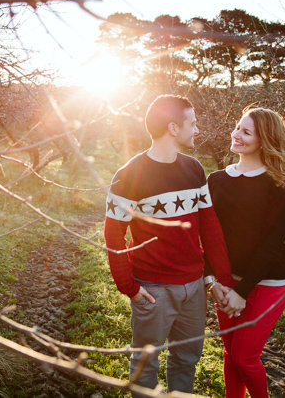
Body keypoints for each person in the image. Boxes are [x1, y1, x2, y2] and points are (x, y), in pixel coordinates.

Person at [104, 94, 234, 396]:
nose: (197, 130)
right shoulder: (127, 176)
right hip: (153, 290)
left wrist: (219, 277)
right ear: (173, 128)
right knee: (145, 364)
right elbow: (113, 237)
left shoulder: (194, 169)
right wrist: (130, 288)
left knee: (187, 360)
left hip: (193, 288)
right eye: (193, 123)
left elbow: (210, 227)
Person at [205, 107, 285, 398]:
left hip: (266, 284)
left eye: (246, 132)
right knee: (230, 354)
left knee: (245, 357)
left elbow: (272, 244)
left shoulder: (281, 184)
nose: (236, 134)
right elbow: (207, 235)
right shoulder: (216, 180)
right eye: (237, 127)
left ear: (265, 140)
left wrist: (242, 291)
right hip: (225, 282)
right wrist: (212, 281)